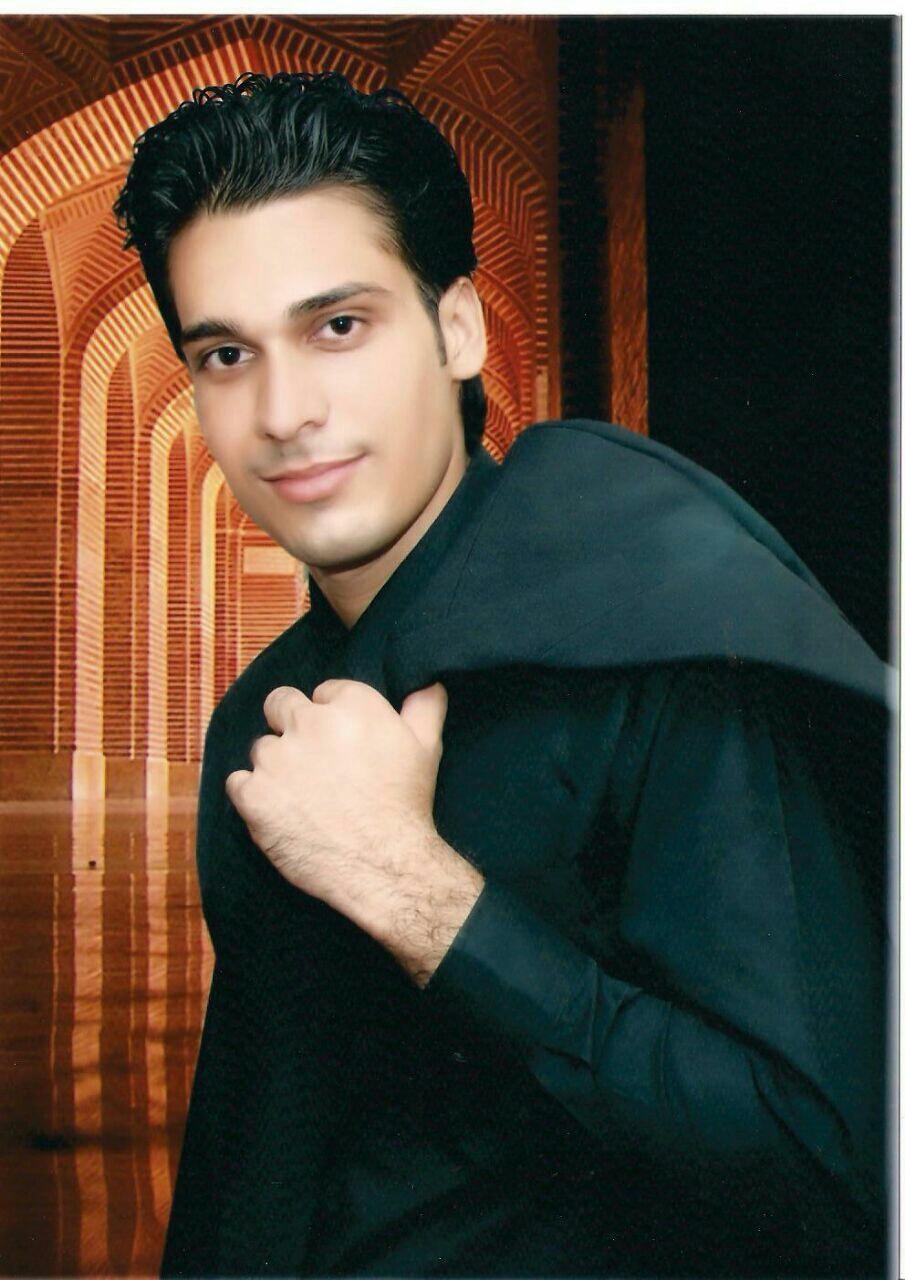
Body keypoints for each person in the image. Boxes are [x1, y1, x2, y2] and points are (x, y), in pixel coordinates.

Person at [113, 71, 889, 1278]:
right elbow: (250, 1153)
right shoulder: (259, 720)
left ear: (458, 330)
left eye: (337, 326)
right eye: (224, 352)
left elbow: (830, 1168)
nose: (282, 410)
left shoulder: (661, 644)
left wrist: (420, 892)